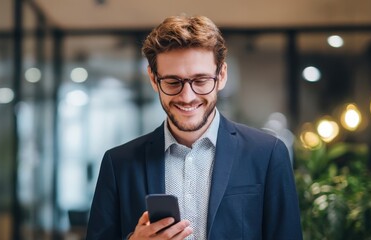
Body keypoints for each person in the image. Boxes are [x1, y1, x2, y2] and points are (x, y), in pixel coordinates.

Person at [86, 15, 302, 240]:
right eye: (172, 82)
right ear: (153, 79)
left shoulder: (267, 154)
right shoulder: (119, 163)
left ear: (222, 76)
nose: (187, 97)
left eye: (200, 81)